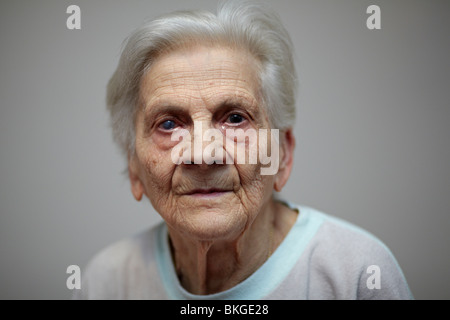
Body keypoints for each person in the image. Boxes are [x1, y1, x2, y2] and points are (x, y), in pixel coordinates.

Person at [74, 0, 412, 299]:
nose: (204, 155)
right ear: (134, 167)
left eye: (235, 118)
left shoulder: (357, 274)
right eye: (168, 124)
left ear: (282, 156)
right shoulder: (107, 282)